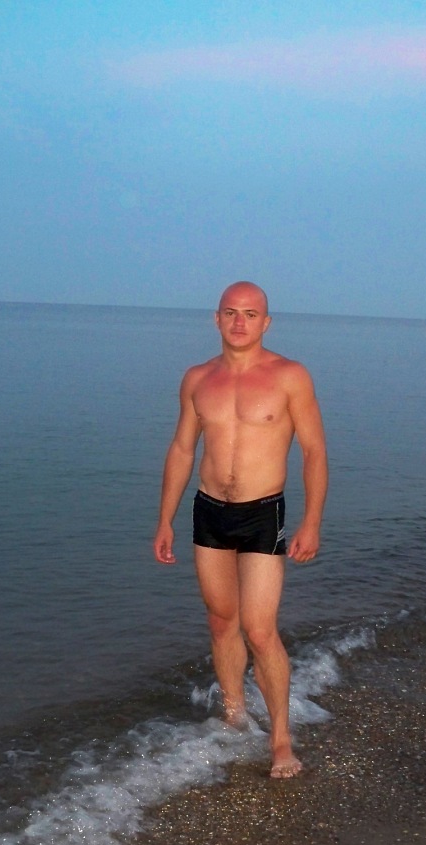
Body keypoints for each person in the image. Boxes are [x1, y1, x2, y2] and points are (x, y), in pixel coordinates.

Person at [153, 281, 328, 778]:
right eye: (230, 312)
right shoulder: (197, 378)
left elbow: (314, 451)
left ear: (265, 323)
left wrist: (311, 521)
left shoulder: (290, 376)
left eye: (250, 314)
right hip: (208, 510)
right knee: (220, 621)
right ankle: (234, 715)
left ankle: (281, 740)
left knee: (259, 629)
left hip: (262, 513)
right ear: (216, 318)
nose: (239, 322)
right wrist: (164, 519)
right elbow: (182, 448)